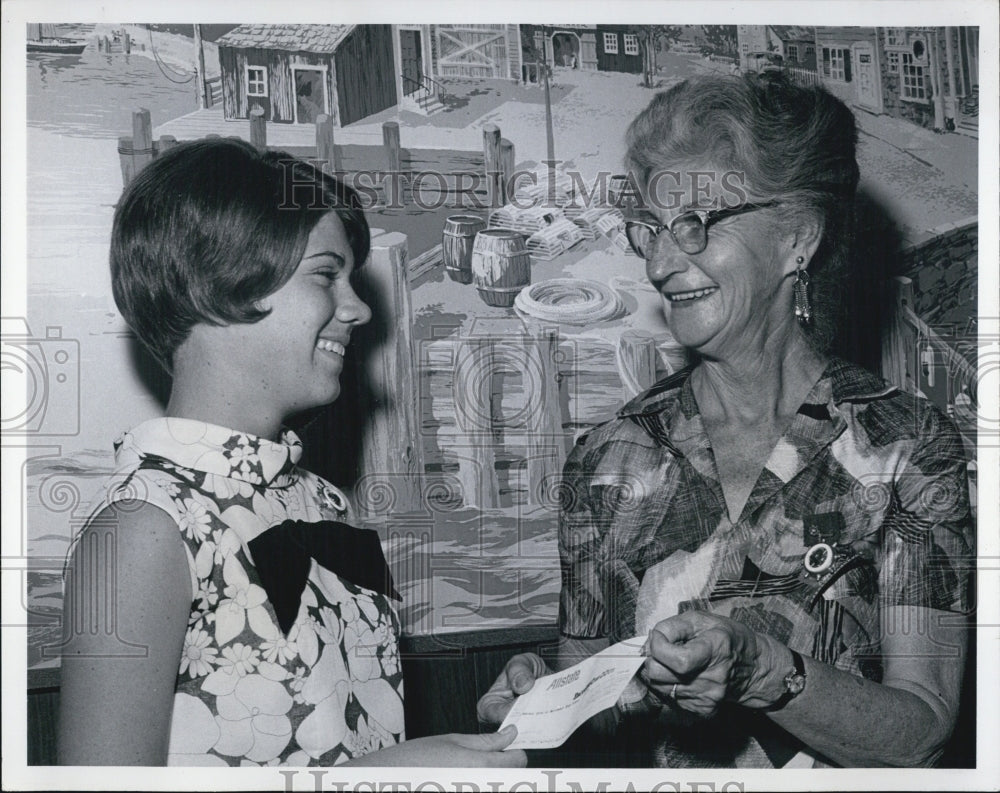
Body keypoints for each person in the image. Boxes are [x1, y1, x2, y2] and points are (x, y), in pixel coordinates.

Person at [478, 73, 974, 768]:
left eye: (695, 225)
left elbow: (922, 731)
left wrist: (766, 672)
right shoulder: (610, 458)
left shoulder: (907, 449)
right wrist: (544, 704)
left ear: (797, 238)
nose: (657, 261)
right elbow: (598, 717)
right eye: (650, 228)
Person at [58, 138, 525, 768]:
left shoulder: (323, 502)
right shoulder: (140, 531)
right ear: (214, 283)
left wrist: (481, 736)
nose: (358, 308)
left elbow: (334, 743)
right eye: (326, 274)